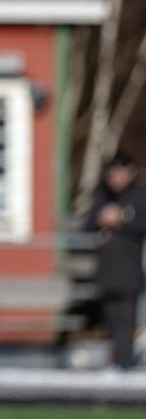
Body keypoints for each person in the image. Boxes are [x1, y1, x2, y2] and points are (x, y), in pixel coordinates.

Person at [85, 151, 146, 370]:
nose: (115, 179)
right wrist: (101, 218)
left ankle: (125, 363)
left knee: (126, 320)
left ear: (130, 173)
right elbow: (88, 223)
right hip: (106, 272)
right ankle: (116, 360)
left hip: (129, 273)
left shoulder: (138, 197)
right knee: (110, 319)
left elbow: (141, 224)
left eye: (120, 173)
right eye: (112, 174)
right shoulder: (103, 197)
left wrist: (121, 219)